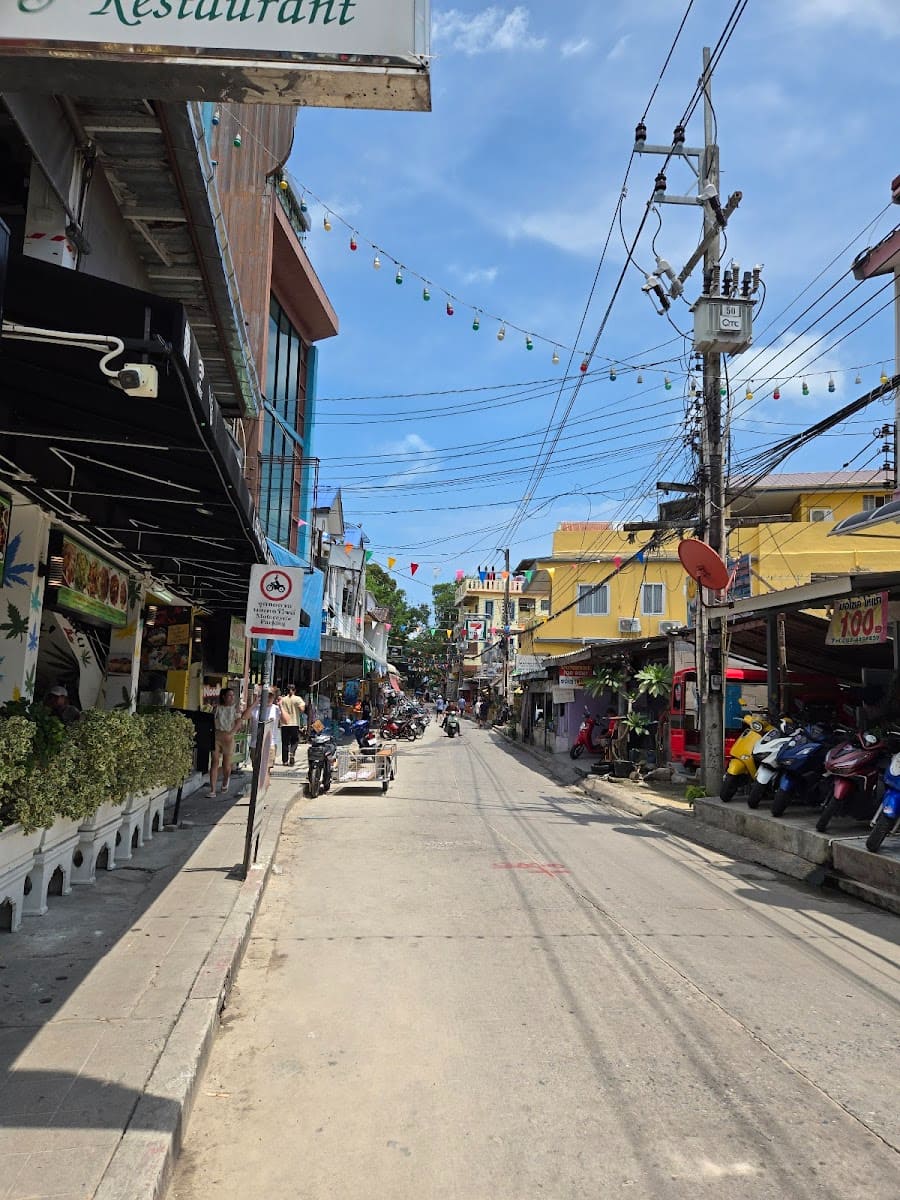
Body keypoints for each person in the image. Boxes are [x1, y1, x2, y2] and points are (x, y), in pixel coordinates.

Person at [209, 686, 247, 796]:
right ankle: (212, 790)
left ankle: (226, 780)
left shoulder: (235, 709)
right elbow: (212, 721)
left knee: (226, 764)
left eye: (232, 695)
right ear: (224, 697)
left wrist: (232, 733)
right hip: (217, 736)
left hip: (229, 737)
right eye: (229, 695)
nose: (231, 697)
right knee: (214, 761)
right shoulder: (217, 708)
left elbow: (239, 723)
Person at [279, 683, 306, 766]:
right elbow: (302, 709)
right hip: (294, 723)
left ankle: (285, 761)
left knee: (285, 742)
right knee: (295, 740)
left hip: (284, 724)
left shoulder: (283, 700)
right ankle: (292, 752)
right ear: (295, 690)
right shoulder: (298, 699)